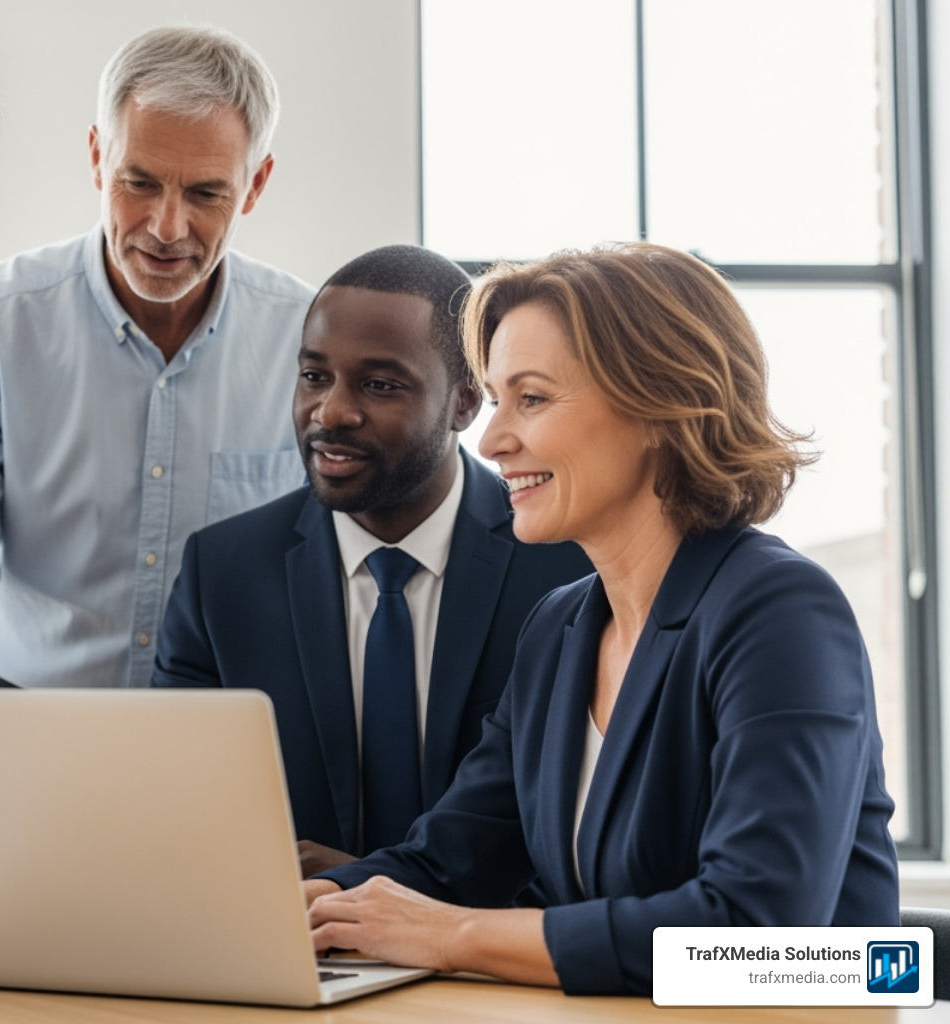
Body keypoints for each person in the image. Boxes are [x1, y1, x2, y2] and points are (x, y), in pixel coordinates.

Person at [302, 243, 900, 995]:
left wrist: (457, 936)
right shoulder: (559, 630)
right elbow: (449, 858)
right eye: (494, 400)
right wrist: (306, 909)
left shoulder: (781, 612)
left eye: (534, 399)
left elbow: (759, 933)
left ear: (658, 408)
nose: (490, 442)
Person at [152, 246, 590, 876]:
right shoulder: (221, 573)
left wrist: (382, 885)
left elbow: (578, 825)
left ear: (466, 402)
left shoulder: (565, 567)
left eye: (380, 385)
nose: (331, 412)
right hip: (303, 949)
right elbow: (177, 811)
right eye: (314, 376)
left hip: (494, 954)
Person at [0, 26, 314, 690]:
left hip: (225, 736)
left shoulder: (309, 347)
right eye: (140, 181)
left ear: (255, 184)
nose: (166, 226)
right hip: (31, 725)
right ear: (98, 158)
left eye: (207, 193)